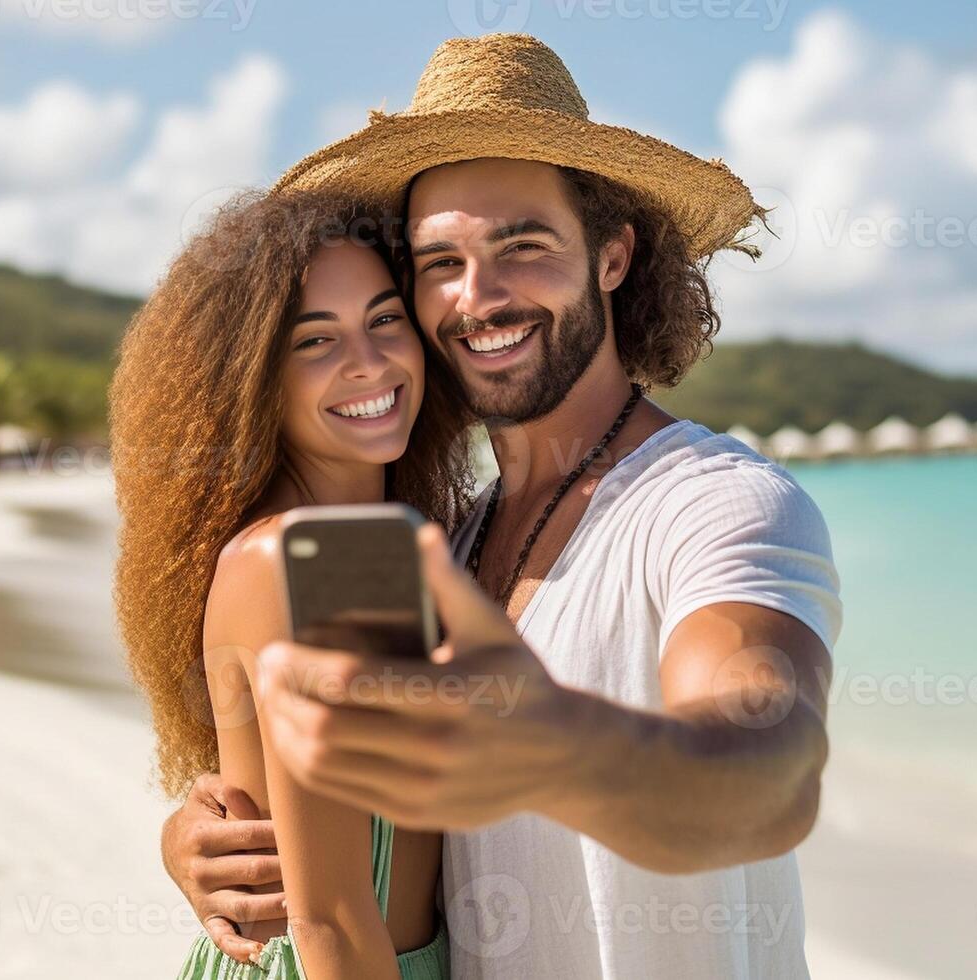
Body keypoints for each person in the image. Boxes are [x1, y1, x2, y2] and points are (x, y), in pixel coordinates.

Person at [158, 34, 843, 979]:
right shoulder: (443, 541)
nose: (478, 298)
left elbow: (770, 767)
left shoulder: (716, 504)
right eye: (440, 262)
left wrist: (564, 753)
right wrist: (208, 838)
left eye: (522, 245)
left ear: (611, 255)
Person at [109, 190, 474, 978]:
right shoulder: (305, 558)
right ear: (252, 380)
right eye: (316, 340)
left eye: (384, 320)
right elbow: (333, 921)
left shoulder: (390, 545)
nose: (368, 363)